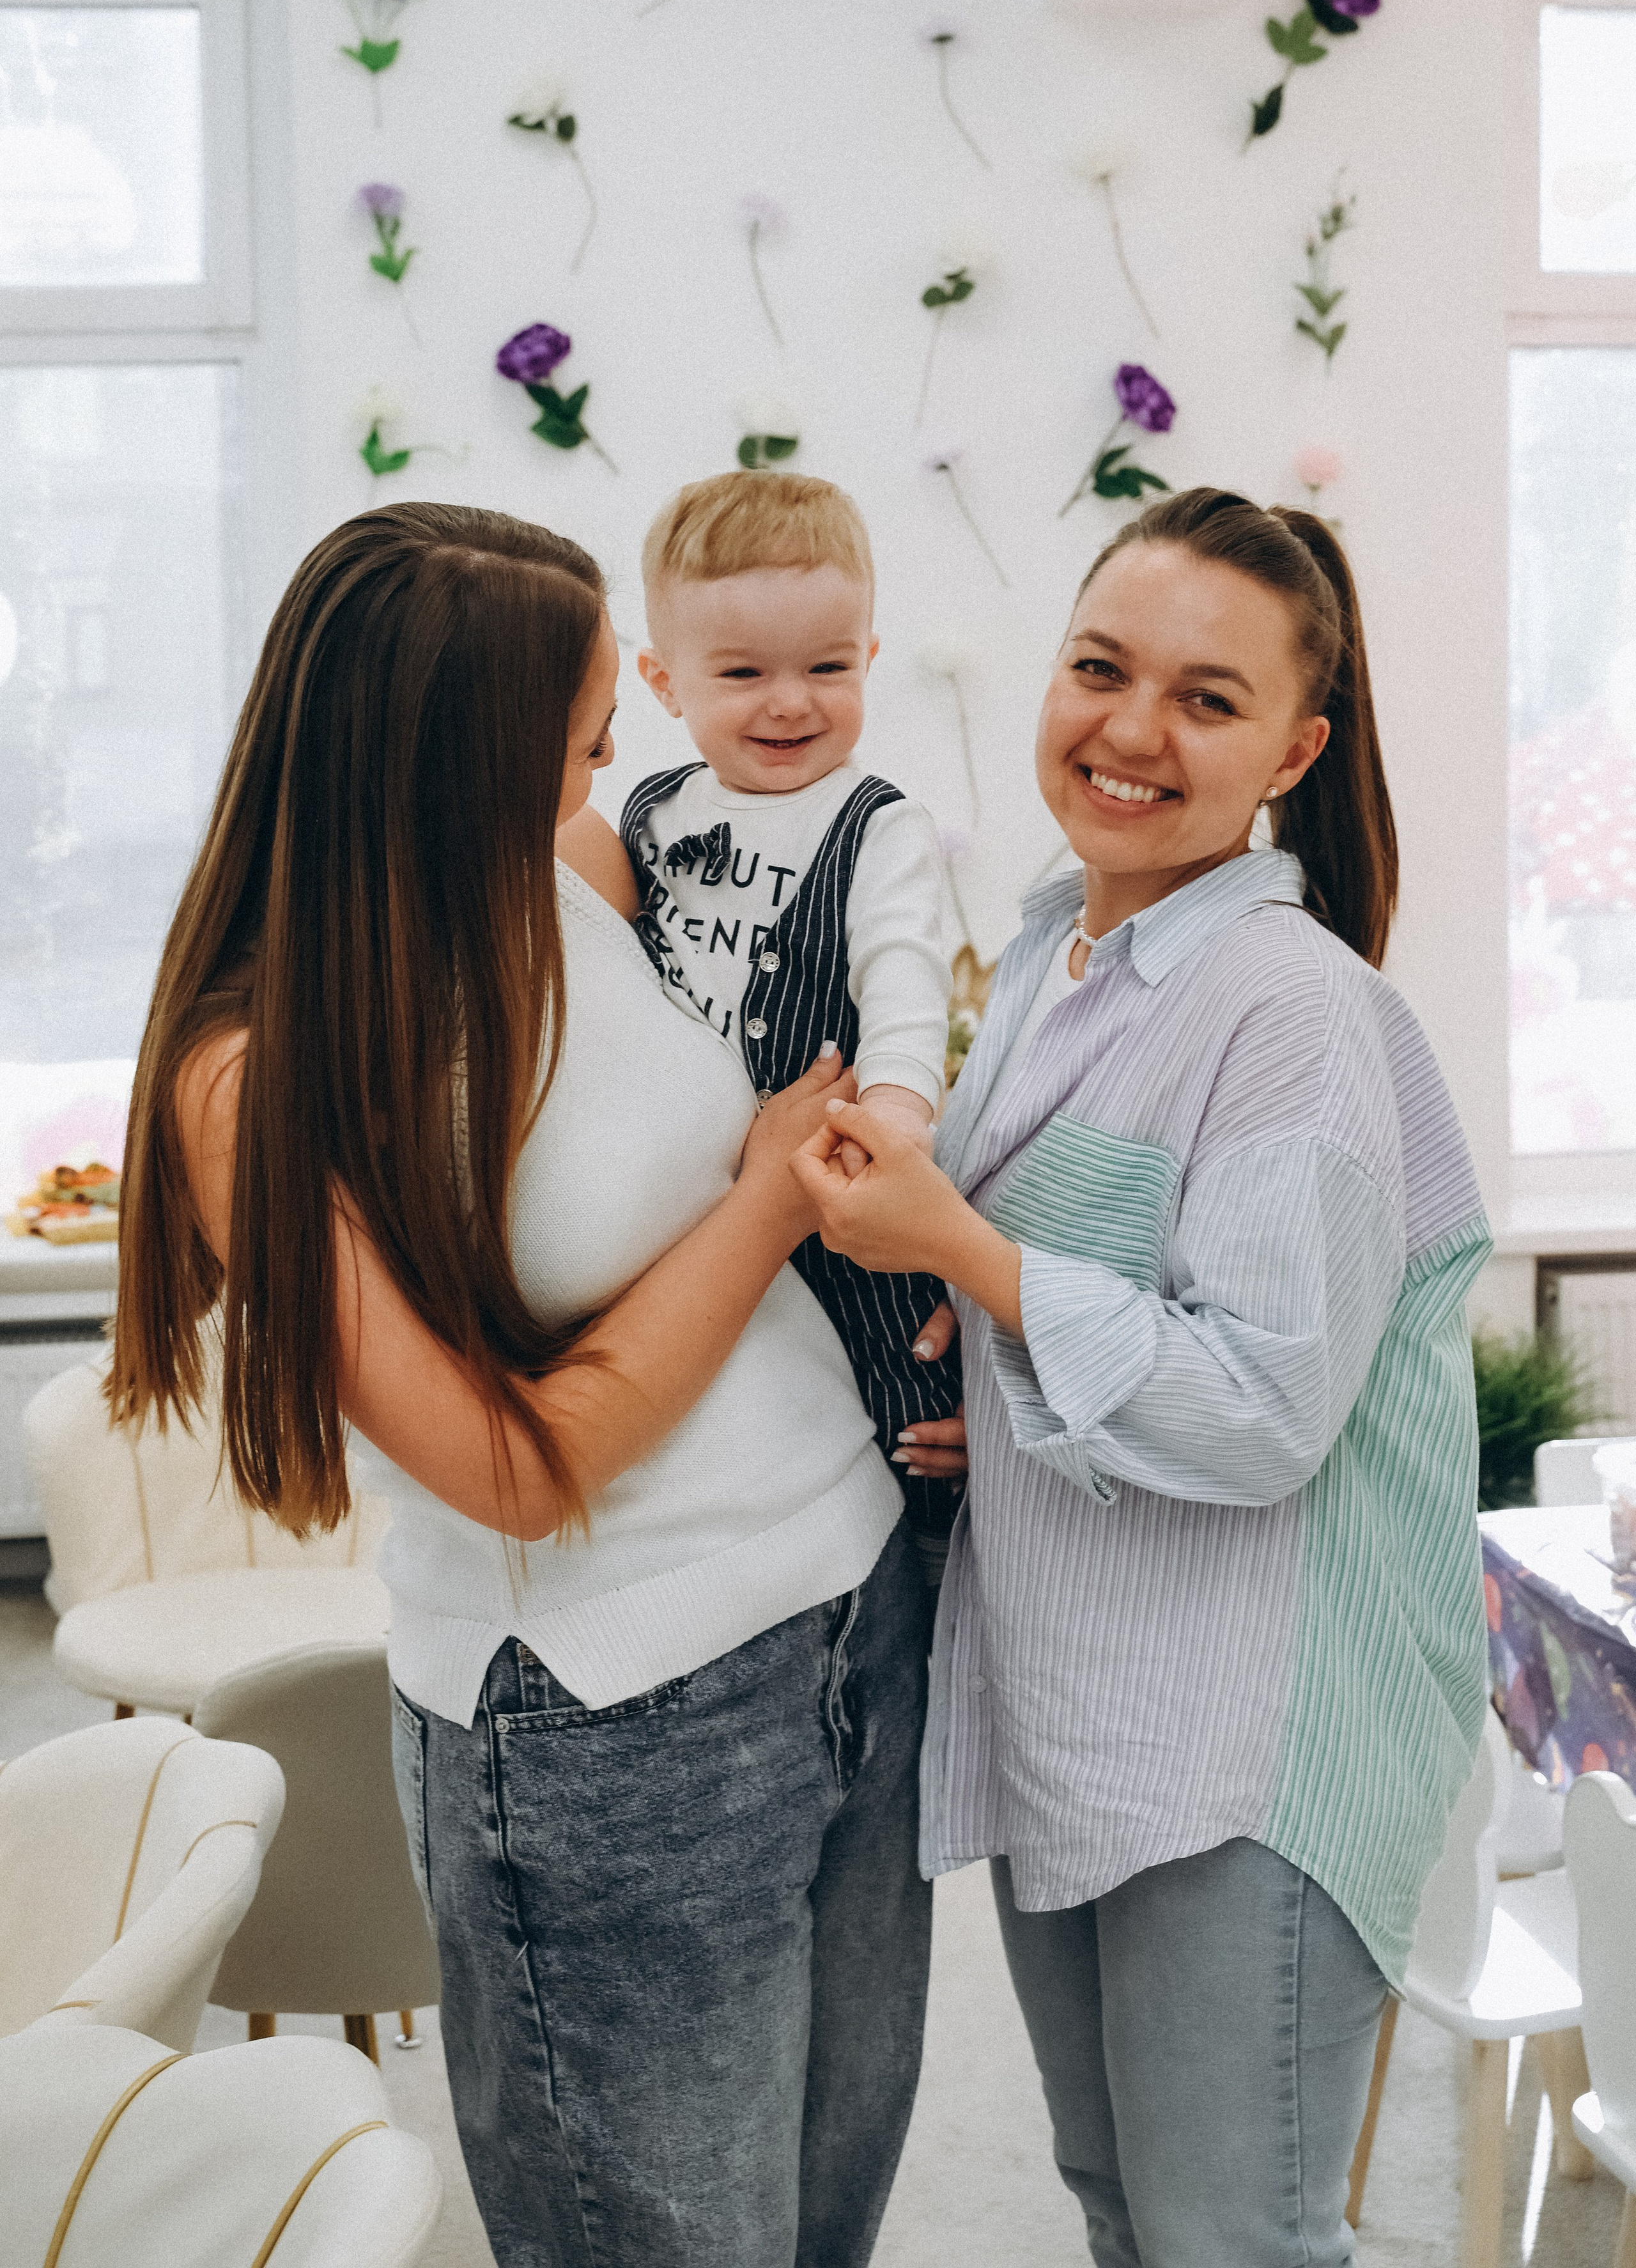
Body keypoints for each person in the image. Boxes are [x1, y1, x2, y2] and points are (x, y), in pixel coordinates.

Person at [111, 503, 932, 2268]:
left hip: (855, 1615)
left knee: (825, 2223)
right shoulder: (251, 1081)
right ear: (449, 758)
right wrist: (770, 1193)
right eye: (577, 735)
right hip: (611, 1718)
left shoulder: (572, 870)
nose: (618, 764)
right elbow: (513, 1465)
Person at [794, 488, 1491, 2267]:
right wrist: (997, 1387)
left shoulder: (1291, 1009)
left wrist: (968, 1254)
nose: (1129, 730)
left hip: (1250, 1737)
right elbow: (1098, 1286)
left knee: (1232, 2236)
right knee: (1127, 2209)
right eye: (1101, 669)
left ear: (1293, 748)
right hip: (1084, 1703)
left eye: (1205, 698)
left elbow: (1261, 1406)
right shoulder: (1059, 949)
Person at [623, 470, 964, 1571]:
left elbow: (906, 983)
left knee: (895, 1391)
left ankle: (925, 1555)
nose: (790, 702)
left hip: (836, 1181)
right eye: (743, 674)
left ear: (867, 660)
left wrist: (899, 1123)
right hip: (689, 1187)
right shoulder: (651, 815)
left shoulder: (878, 825)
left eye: (826, 667)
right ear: (665, 682)